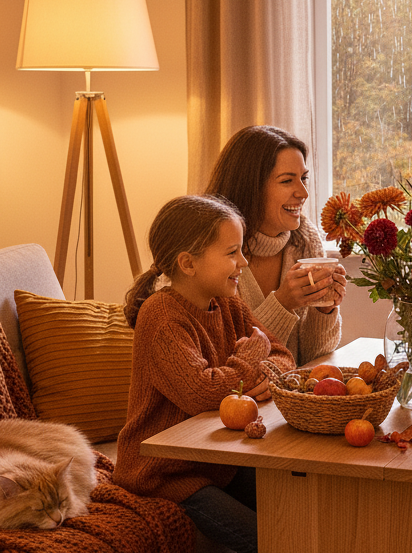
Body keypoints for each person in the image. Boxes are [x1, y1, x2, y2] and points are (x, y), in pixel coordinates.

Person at [115, 195, 296, 553]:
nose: (243, 261)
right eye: (232, 252)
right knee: (271, 539)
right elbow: (200, 391)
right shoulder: (161, 316)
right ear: (188, 263)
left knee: (301, 503)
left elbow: (282, 355)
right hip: (165, 475)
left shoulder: (227, 301)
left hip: (216, 463)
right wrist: (249, 360)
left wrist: (263, 374)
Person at [205, 125, 344, 365]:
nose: (302, 193)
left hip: (288, 394)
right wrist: (282, 303)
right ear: (251, 186)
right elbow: (225, 359)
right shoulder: (211, 251)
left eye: (303, 179)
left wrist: (323, 310)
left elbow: (311, 358)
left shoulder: (305, 239)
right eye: (287, 181)